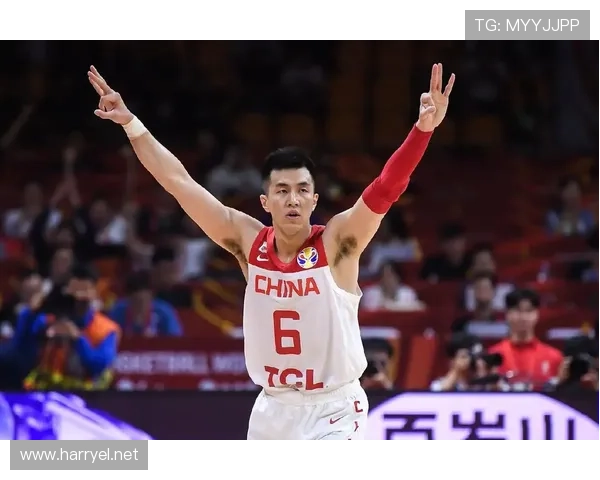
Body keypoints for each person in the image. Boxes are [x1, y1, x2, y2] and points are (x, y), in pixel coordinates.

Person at [87, 63, 455, 440]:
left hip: (334, 407)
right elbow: (178, 182)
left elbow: (387, 187)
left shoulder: (338, 243)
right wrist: (132, 124)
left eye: (302, 190)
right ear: (265, 202)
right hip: (272, 409)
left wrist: (422, 130)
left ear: (314, 200)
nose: (292, 199)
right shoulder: (247, 242)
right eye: (282, 190)